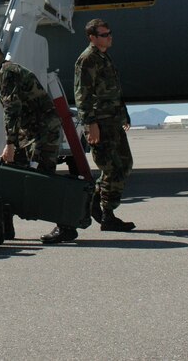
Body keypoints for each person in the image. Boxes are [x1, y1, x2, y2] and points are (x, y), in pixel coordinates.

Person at [0, 40, 78, 244]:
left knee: (43, 179)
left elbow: (11, 110)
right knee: (12, 176)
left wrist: (10, 144)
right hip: (30, 132)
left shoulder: (8, 72)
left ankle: (67, 227)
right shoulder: (2, 73)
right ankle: (6, 227)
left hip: (42, 132)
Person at [74, 19, 134, 232]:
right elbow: (83, 95)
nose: (109, 36)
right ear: (92, 37)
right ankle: (107, 214)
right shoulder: (87, 59)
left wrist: (124, 115)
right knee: (112, 169)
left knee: (125, 165)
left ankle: (94, 204)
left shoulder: (103, 57)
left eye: (110, 32)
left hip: (114, 122)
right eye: (104, 34)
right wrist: (91, 124)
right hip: (101, 123)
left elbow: (113, 90)